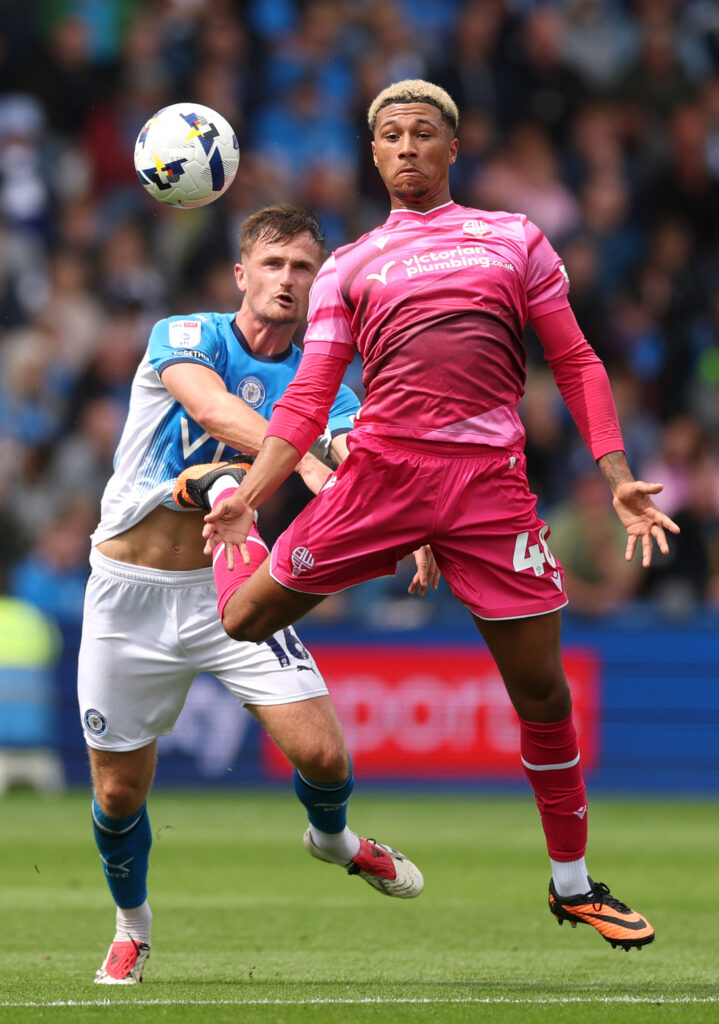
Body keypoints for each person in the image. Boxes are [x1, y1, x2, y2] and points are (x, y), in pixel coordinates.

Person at [186, 81, 681, 953]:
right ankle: (223, 501)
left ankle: (572, 885)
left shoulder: (511, 238)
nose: (406, 146)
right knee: (240, 616)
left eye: (422, 133)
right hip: (378, 479)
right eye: (389, 135)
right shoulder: (347, 266)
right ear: (373, 156)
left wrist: (615, 473)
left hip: (489, 487)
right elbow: (306, 400)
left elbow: (574, 358)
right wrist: (247, 500)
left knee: (541, 692)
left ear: (452, 148)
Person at [77, 205, 426, 987]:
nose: (287, 280)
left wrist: (414, 518)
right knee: (117, 790)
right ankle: (132, 925)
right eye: (273, 264)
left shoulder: (325, 379)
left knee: (325, 756)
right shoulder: (185, 334)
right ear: (242, 273)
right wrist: (298, 458)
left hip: (224, 586)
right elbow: (207, 408)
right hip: (126, 594)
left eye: (303, 269)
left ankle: (333, 842)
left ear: (318, 284)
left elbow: (355, 450)